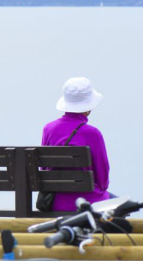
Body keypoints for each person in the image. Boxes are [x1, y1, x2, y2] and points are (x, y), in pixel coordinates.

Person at [41, 77, 112, 211]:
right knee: (125, 206)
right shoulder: (92, 133)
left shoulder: (48, 129)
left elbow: (44, 169)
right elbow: (103, 178)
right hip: (89, 201)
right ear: (88, 107)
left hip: (56, 201)